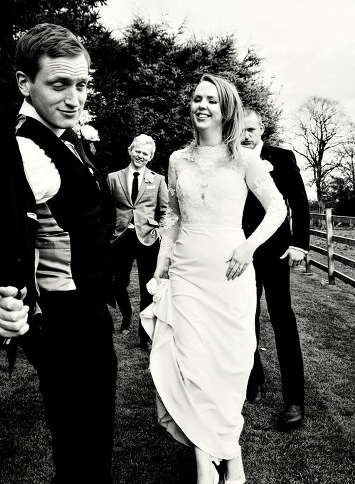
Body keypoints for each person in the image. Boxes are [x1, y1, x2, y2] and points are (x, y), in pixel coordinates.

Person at [0, 23, 117, 484]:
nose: (74, 97)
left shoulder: (63, 136)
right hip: (66, 321)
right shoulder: (25, 150)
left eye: (82, 84)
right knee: (82, 444)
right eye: (60, 83)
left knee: (85, 443)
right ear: (25, 83)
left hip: (85, 309)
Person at [142, 74, 286, 484]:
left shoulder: (243, 158)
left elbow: (277, 209)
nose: (200, 105)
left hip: (229, 271)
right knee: (192, 362)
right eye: (196, 98)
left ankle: (229, 451)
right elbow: (172, 217)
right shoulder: (176, 159)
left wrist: (248, 247)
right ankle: (206, 462)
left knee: (230, 364)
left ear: (226, 109)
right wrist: (160, 266)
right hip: (186, 271)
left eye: (211, 100)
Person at [240, 108, 310, 430]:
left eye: (252, 129)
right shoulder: (230, 157)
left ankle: (294, 398)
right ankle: (252, 378)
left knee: (282, 317)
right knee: (245, 315)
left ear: (262, 128)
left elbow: (299, 201)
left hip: (277, 250)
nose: (246, 135)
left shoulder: (281, 157)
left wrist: (300, 244)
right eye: (241, 129)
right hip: (240, 250)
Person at [107, 134, 168, 348]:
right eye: (138, 151)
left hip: (148, 239)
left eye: (145, 153)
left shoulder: (158, 179)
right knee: (116, 284)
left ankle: (145, 335)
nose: (140, 156)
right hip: (120, 237)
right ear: (130, 150)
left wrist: (159, 228)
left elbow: (166, 211)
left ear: (150, 157)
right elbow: (106, 209)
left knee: (146, 288)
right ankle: (126, 314)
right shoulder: (113, 178)